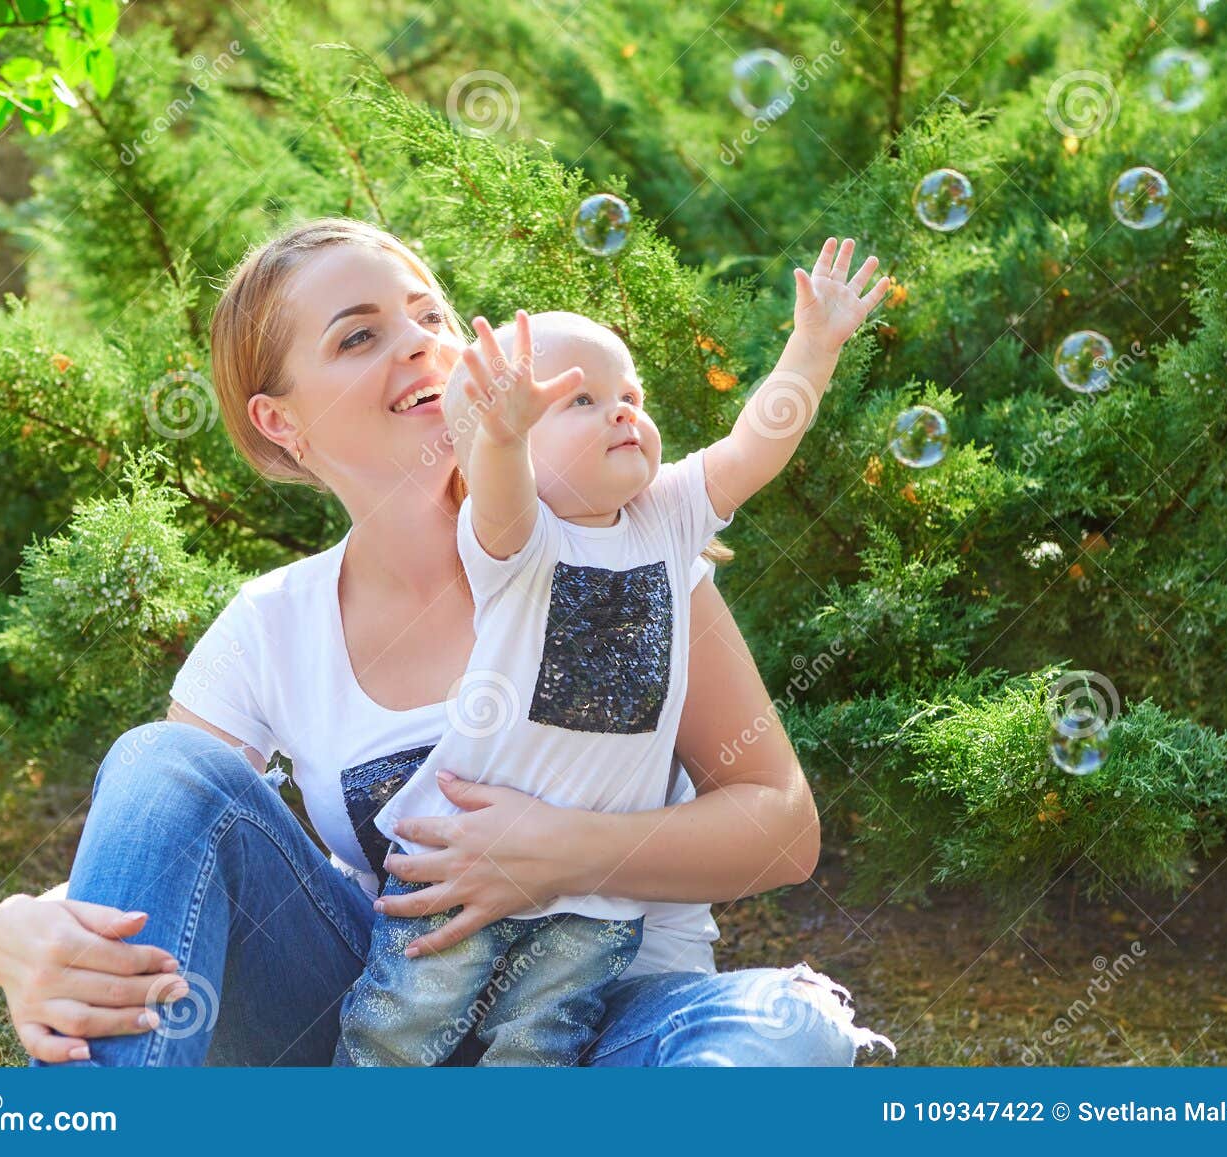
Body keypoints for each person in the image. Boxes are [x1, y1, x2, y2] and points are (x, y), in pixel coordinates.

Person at [0, 218, 895, 1067]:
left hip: (614, 1027)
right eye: (358, 335)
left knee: (788, 1026)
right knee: (161, 760)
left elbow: (780, 824)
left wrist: (569, 852)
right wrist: (17, 926)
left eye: (431, 314)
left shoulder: (626, 558)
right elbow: (167, 851)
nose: (419, 340)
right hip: (377, 1025)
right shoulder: (270, 627)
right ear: (281, 423)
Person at [344, 244, 889, 1067]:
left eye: (630, 395)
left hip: (592, 898)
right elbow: (495, 483)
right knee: (397, 1030)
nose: (623, 413)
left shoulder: (667, 519)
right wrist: (500, 434)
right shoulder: (519, 542)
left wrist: (812, 350)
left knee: (540, 1045)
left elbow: (753, 446)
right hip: (463, 862)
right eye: (583, 400)